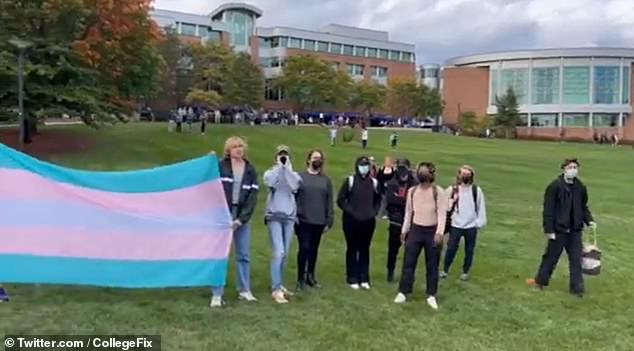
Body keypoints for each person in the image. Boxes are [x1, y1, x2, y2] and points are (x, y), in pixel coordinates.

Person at [526, 158, 596, 298]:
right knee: (550, 258)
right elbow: (548, 210)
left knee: (576, 260)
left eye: (575, 167)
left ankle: (577, 289)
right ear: (564, 169)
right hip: (559, 230)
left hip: (575, 231)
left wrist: (589, 220)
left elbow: (583, 207)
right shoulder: (554, 186)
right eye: (570, 167)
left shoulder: (580, 187)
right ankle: (540, 282)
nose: (573, 170)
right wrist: (549, 230)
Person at [210, 137, 260, 307]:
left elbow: (253, 198)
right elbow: (209, 185)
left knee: (243, 255)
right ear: (228, 150)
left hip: (241, 216)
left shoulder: (250, 170)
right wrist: (209, 161)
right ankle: (217, 294)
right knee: (220, 255)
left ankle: (244, 290)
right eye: (235, 147)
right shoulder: (220, 166)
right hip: (222, 216)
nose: (239, 149)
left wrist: (241, 219)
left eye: (241, 146)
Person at [394, 162, 447, 310]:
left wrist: (440, 232)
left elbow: (442, 213)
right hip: (416, 230)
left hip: (432, 231)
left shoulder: (439, 192)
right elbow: (408, 213)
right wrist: (404, 230)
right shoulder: (412, 191)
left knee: (432, 265)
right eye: (420, 171)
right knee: (408, 262)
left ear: (432, 174)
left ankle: (431, 295)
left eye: (425, 172)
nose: (421, 174)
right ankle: (404, 291)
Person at [263, 145, 302, 304]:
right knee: (278, 252)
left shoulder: (294, 174)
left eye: (285, 155)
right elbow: (270, 182)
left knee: (284, 253)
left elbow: (295, 186)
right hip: (274, 215)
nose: (283, 157)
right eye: (280, 155)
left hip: (289, 217)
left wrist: (286, 169)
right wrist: (280, 168)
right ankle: (275, 289)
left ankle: (279, 283)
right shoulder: (270, 172)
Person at [337, 156, 382, 290]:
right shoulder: (350, 181)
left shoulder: (373, 183)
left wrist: (374, 212)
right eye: (362, 165)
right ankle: (352, 277)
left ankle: (364, 277)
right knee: (352, 248)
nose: (364, 168)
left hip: (368, 221)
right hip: (351, 221)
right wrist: (352, 211)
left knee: (365, 249)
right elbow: (341, 200)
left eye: (366, 165)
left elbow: (378, 199)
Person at [441, 165, 487, 281]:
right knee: (451, 248)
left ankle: (465, 271)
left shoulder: (476, 190)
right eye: (463, 174)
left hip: (471, 226)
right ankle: (445, 270)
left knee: (469, 250)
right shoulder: (452, 190)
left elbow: (481, 208)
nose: (465, 176)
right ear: (459, 175)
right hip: (456, 225)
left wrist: (478, 223)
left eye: (468, 174)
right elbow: (443, 204)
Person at [296, 150, 334, 290]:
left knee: (313, 249)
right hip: (303, 220)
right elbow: (294, 197)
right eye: (315, 158)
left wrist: (329, 220)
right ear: (308, 160)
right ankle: (300, 277)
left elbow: (329, 201)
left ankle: (310, 276)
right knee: (304, 248)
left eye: (319, 158)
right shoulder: (300, 177)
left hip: (319, 220)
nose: (317, 160)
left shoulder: (325, 180)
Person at [384, 159, 417, 282]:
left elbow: (415, 202)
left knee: (410, 251)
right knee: (392, 250)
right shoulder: (392, 182)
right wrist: (405, 201)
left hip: (411, 223)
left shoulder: (414, 183)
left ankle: (407, 275)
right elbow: (391, 200)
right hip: (396, 221)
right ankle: (390, 271)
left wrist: (400, 199)